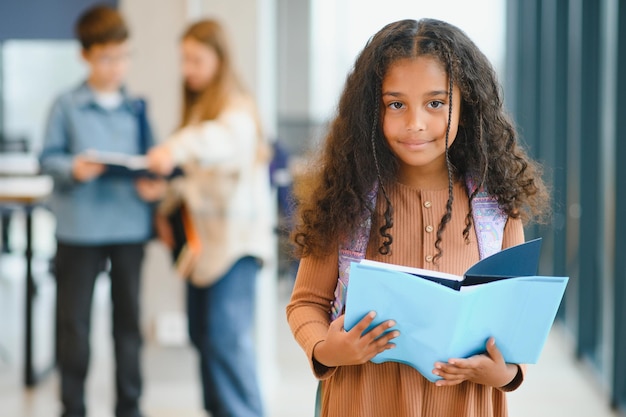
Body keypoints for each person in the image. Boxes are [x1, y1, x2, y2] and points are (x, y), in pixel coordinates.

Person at [286, 18, 550, 417]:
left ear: (467, 105)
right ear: (371, 111)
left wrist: (505, 372)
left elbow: (514, 328)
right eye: (396, 104)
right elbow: (306, 302)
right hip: (363, 402)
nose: (415, 123)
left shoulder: (497, 207)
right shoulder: (346, 201)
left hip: (467, 404)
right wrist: (326, 348)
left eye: (435, 103)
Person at [39, 5, 163, 417]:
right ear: (86, 56)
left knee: (128, 326)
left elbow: (154, 162)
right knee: (73, 325)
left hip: (129, 227)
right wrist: (72, 167)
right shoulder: (66, 106)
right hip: (78, 230)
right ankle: (71, 406)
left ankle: (129, 407)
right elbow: (48, 160)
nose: (117, 67)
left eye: (124, 56)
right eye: (107, 57)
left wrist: (153, 184)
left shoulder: (138, 108)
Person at [146, 19, 273, 417]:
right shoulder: (198, 107)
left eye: (196, 59)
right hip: (202, 248)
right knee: (204, 339)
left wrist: (172, 149)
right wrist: (164, 191)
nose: (188, 69)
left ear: (219, 59)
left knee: (225, 343)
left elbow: (219, 143)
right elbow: (196, 177)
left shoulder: (237, 108)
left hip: (235, 249)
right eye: (184, 60)